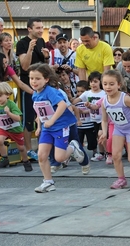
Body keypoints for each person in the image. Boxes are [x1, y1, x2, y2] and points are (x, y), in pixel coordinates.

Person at [28, 63, 84, 193]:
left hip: (59, 126)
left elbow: (62, 105)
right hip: (47, 128)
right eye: (31, 78)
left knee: (59, 158)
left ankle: (73, 147)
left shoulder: (51, 92)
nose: (34, 82)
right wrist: (39, 125)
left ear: (46, 79)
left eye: (37, 78)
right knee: (42, 155)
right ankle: (48, 182)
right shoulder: (35, 94)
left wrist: (52, 120)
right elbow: (40, 111)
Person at [99, 69, 130, 189]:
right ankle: (121, 179)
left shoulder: (125, 99)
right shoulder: (104, 101)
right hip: (119, 129)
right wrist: (104, 133)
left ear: (119, 85)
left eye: (111, 84)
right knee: (116, 155)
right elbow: (105, 120)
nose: (108, 87)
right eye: (105, 84)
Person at [16, 17, 49, 161]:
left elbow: (42, 63)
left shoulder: (41, 41)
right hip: (28, 84)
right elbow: (24, 66)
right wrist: (29, 49)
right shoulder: (22, 43)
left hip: (43, 84)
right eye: (38, 28)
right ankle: (29, 150)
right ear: (29, 29)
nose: (41, 30)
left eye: (42, 27)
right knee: (28, 118)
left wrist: (47, 58)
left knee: (43, 115)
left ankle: (43, 148)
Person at [0, 52, 34, 142]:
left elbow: (20, 83)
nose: (6, 65)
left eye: (6, 62)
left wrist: (34, 92)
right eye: (3, 63)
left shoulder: (7, 69)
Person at [0, 82, 32, 171]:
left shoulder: (11, 104)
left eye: (0, 96)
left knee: (20, 148)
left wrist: (9, 113)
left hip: (15, 129)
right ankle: (5, 158)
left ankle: (26, 161)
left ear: (7, 95)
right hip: (4, 128)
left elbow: (18, 118)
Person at [73, 71, 106, 161]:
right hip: (93, 119)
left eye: (95, 81)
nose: (93, 84)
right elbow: (76, 100)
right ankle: (102, 153)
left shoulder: (104, 93)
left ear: (100, 82)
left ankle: (108, 153)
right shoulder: (87, 93)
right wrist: (68, 101)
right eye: (91, 82)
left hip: (103, 119)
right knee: (98, 137)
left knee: (101, 135)